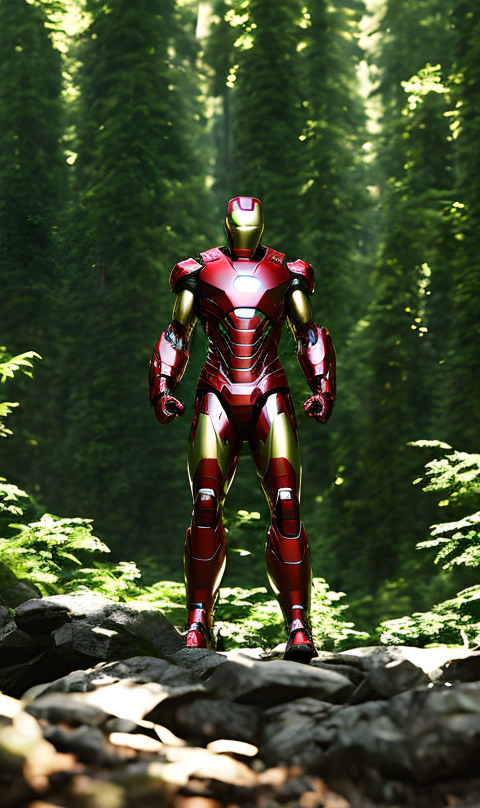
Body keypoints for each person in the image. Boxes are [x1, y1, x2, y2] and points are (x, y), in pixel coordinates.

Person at [148, 196, 336, 661]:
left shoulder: (286, 271)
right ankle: (197, 622)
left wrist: (322, 385)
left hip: (270, 392)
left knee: (287, 506)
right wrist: (163, 383)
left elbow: (308, 332)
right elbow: (178, 332)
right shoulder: (199, 271)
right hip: (217, 394)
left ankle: (297, 626)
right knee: (207, 503)